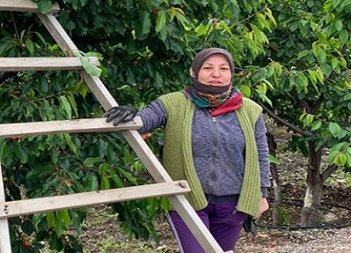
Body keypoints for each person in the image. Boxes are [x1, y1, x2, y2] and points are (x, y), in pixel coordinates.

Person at [103, 48, 270, 253]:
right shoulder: (173, 103)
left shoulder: (250, 110)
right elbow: (145, 120)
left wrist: (261, 195)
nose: (216, 74)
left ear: (231, 74)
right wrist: (132, 114)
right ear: (194, 72)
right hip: (186, 200)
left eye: (223, 69)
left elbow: (261, 155)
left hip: (232, 204)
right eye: (208, 68)